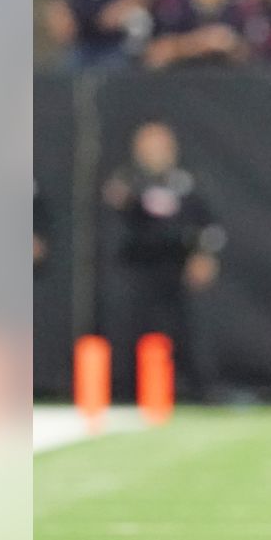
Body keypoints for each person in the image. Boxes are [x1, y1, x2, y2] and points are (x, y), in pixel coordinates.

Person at [102, 121, 225, 402]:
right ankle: (128, 392)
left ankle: (197, 390)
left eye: (160, 146)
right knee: (134, 329)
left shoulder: (187, 183)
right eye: (149, 146)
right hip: (137, 267)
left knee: (186, 330)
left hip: (177, 267)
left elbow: (210, 225)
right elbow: (117, 221)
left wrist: (204, 255)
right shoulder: (127, 182)